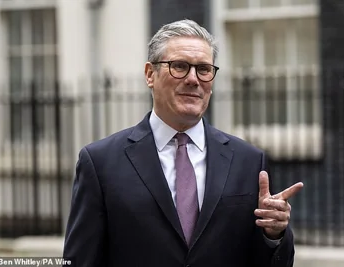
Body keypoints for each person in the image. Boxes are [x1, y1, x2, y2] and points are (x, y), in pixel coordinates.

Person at [63, 19, 304, 267]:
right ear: (150, 74)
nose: (193, 79)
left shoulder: (249, 162)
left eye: (203, 69)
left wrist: (274, 234)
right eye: (179, 66)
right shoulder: (101, 163)